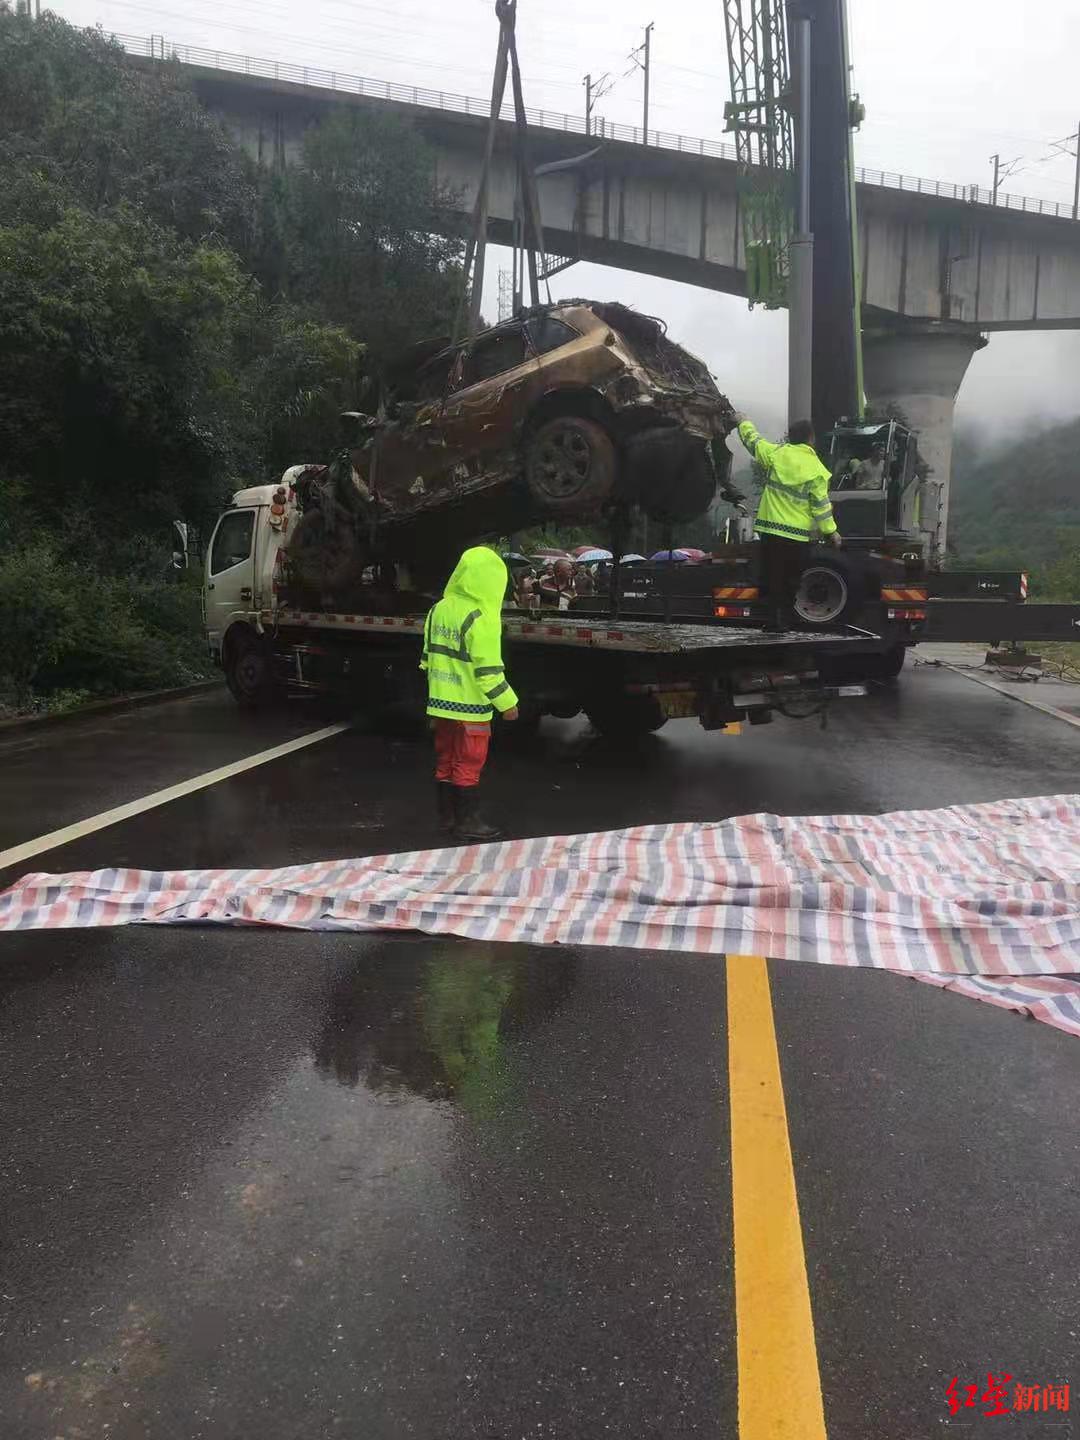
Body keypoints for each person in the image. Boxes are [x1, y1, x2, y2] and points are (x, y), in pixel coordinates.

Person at [421, 546, 519, 841]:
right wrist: (509, 704)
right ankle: (468, 821)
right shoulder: (482, 618)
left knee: (446, 760)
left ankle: (446, 818)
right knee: (469, 762)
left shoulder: (439, 608)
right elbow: (488, 672)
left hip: (440, 705)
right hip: (470, 708)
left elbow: (426, 656)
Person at [734, 414, 841, 632]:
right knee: (791, 580)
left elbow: (753, 442)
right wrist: (832, 532)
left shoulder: (777, 454)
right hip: (797, 536)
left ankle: (772, 620)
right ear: (811, 439)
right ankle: (786, 621)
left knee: (771, 576)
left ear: (790, 438)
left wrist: (743, 421)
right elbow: (821, 507)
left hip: (771, 531)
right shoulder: (817, 469)